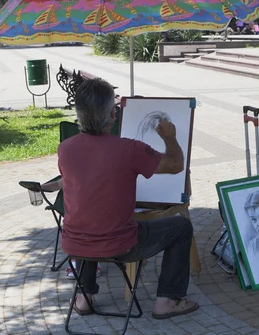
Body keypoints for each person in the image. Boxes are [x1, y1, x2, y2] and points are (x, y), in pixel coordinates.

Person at [49, 78, 199, 319]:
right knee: (181, 227)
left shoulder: (65, 148)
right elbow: (175, 165)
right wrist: (169, 137)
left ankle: (83, 297)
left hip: (74, 244)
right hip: (120, 245)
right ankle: (167, 301)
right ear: (112, 114)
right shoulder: (129, 149)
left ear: (79, 114)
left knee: (90, 219)